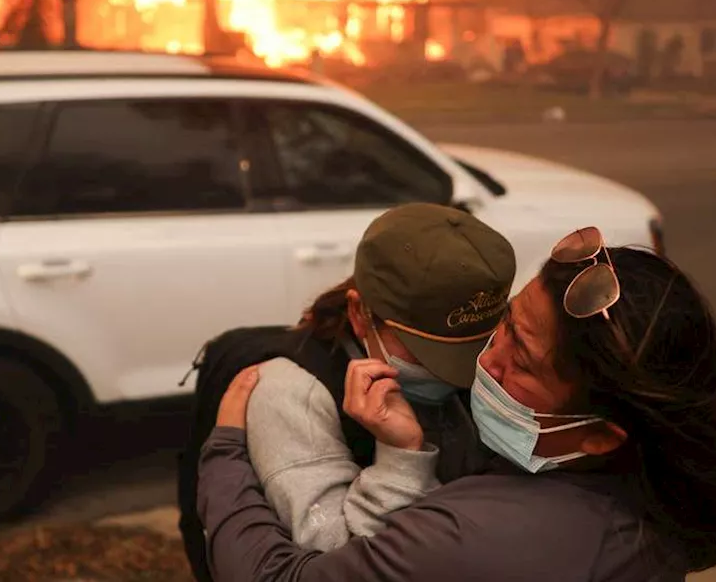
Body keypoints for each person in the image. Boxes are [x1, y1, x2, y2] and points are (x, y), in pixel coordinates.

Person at [198, 226, 716, 581]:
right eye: (502, 328)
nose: (485, 364)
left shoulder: (478, 533)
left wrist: (224, 454)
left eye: (522, 361)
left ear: (600, 434)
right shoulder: (659, 489)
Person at [176, 203, 516, 578]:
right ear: (359, 314)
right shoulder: (292, 394)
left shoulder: (491, 363)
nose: (459, 373)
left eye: (475, 348)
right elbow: (333, 565)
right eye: (428, 353)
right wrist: (402, 458)